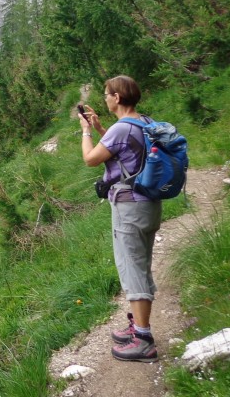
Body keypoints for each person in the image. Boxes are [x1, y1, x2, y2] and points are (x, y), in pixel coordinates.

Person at [78, 75, 161, 363]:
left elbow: (91, 159)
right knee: (141, 263)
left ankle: (144, 339)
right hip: (149, 204)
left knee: (132, 267)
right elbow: (126, 154)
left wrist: (86, 132)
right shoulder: (144, 122)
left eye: (107, 94)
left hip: (130, 208)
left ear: (117, 97)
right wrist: (102, 127)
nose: (104, 98)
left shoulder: (121, 128)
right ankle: (139, 327)